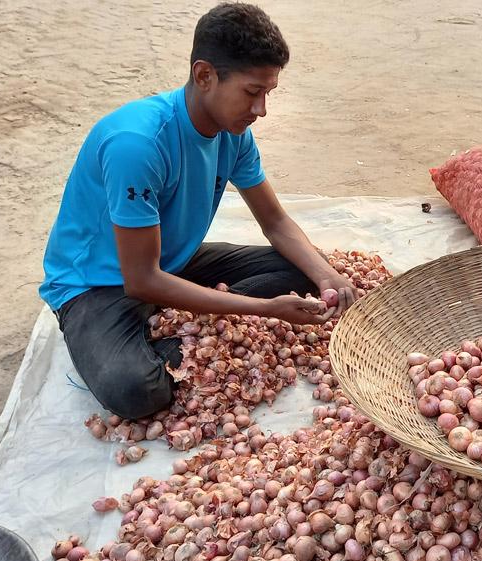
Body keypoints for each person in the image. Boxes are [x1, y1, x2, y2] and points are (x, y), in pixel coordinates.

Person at [39, 3, 356, 420]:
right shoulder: (137, 143)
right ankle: (167, 329)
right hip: (100, 283)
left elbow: (275, 221)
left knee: (306, 270)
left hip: (174, 260)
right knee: (135, 391)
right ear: (205, 76)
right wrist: (262, 310)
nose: (261, 110)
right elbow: (140, 279)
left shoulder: (233, 133)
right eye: (251, 92)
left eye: (268, 93)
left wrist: (326, 276)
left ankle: (184, 317)